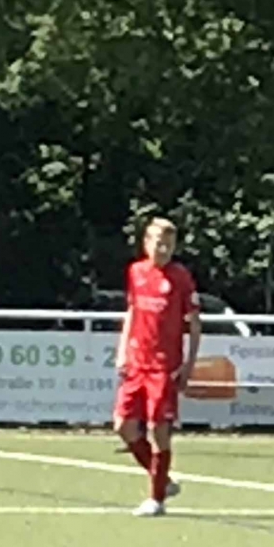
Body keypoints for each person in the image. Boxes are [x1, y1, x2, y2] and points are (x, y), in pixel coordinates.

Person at [113, 216, 202, 517]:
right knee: (123, 425)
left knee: (158, 429)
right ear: (146, 242)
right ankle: (163, 479)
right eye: (158, 243)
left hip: (164, 366)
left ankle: (156, 498)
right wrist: (122, 351)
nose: (163, 249)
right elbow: (132, 311)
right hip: (136, 362)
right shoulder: (136, 272)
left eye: (169, 244)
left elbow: (194, 324)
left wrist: (189, 364)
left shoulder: (180, 277)